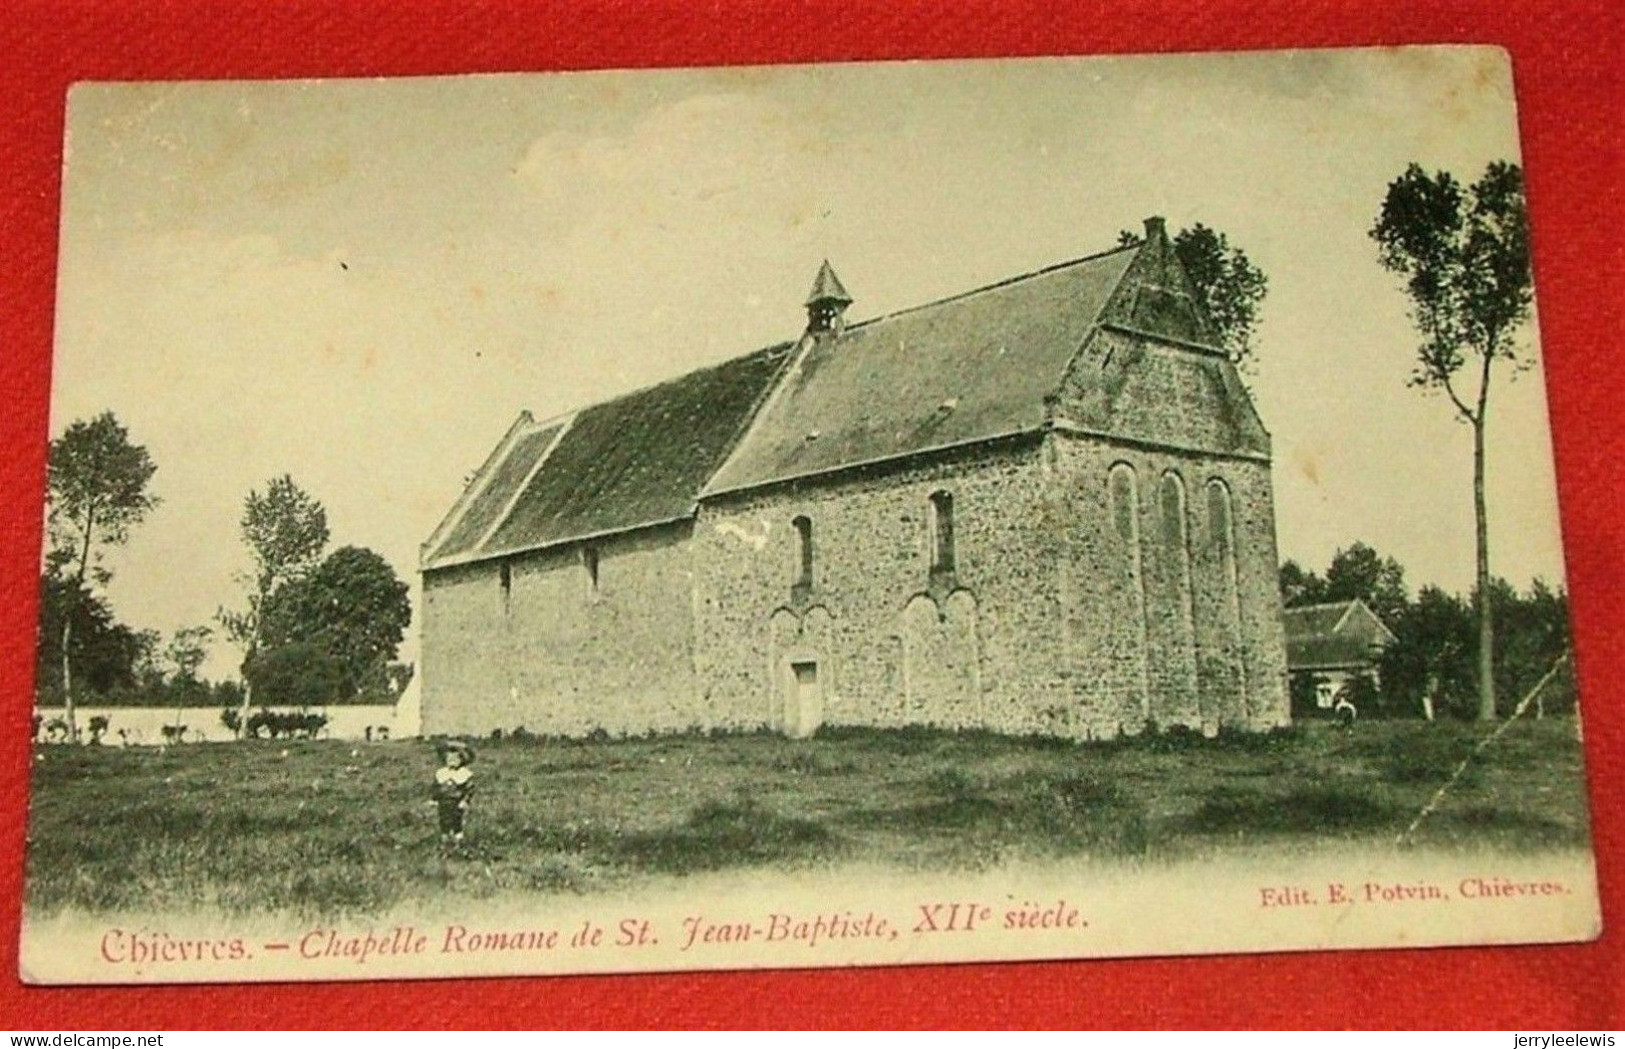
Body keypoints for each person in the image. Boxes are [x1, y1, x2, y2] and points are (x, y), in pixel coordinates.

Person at [432, 739, 476, 847]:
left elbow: (469, 789)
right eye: (449, 758)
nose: (452, 761)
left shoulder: (464, 774)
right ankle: (445, 840)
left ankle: (458, 840)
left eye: (456, 759)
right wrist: (434, 799)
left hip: (456, 801)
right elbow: (436, 787)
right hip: (444, 801)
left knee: (456, 819)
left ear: (462, 760)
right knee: (443, 819)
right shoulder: (441, 773)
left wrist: (465, 801)